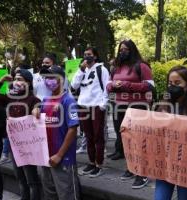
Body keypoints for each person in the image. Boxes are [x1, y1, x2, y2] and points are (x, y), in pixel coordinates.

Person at [106, 39, 154, 189]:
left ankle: (142, 173)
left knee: (138, 140)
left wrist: (128, 85)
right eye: (120, 50)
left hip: (137, 107)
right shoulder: (116, 68)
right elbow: (107, 85)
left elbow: (150, 85)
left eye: (126, 49)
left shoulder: (141, 66)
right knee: (125, 139)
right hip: (118, 107)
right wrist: (113, 85)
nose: (122, 52)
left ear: (132, 50)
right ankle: (131, 167)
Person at [0, 69, 41, 200]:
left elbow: (38, 107)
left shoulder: (34, 99)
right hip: (13, 144)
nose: (17, 82)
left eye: (20, 80)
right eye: (15, 79)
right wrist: (0, 81)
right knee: (20, 177)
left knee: (31, 180)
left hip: (28, 145)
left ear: (28, 83)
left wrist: (36, 109)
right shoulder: (9, 98)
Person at [33, 66, 81, 200]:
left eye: (52, 77)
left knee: (67, 194)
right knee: (50, 194)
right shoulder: (45, 101)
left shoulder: (68, 101)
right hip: (46, 158)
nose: (48, 81)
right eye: (46, 78)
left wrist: (59, 155)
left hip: (63, 159)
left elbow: (73, 129)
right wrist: (35, 111)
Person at [154, 66, 187, 200]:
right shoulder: (161, 107)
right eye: (170, 83)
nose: (172, 87)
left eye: (177, 83)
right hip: (165, 165)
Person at [71, 47, 109, 177]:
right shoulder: (82, 70)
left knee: (98, 135)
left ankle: (99, 164)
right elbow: (74, 85)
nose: (87, 56)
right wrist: (81, 69)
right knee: (88, 136)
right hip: (83, 106)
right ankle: (91, 162)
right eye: (85, 54)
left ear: (96, 56)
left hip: (96, 106)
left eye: (90, 54)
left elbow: (107, 87)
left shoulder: (101, 69)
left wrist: (103, 105)